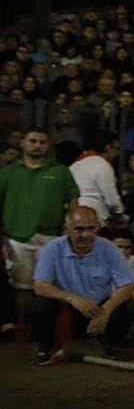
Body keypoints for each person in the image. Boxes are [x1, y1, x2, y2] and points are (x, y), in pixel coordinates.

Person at [27, 206, 134, 364]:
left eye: (91, 229)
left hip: (99, 307)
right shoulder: (52, 249)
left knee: (130, 307)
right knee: (37, 307)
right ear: (67, 229)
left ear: (97, 227)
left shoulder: (109, 248)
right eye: (79, 229)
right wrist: (73, 299)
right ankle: (47, 347)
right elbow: (40, 285)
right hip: (68, 307)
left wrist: (105, 311)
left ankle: (111, 343)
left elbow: (126, 287)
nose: (85, 235)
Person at [0, 128, 79, 322]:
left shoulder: (60, 172)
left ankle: (47, 331)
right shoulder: (8, 173)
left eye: (42, 142)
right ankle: (25, 330)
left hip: (52, 238)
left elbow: (73, 201)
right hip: (17, 238)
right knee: (22, 287)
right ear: (23, 143)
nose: (37, 145)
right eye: (33, 141)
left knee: (52, 287)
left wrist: (72, 226)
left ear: (48, 145)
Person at [69, 130, 124, 225]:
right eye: (117, 148)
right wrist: (119, 213)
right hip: (96, 216)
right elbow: (111, 200)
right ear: (108, 147)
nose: (117, 154)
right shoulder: (103, 165)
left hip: (74, 215)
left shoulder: (75, 164)